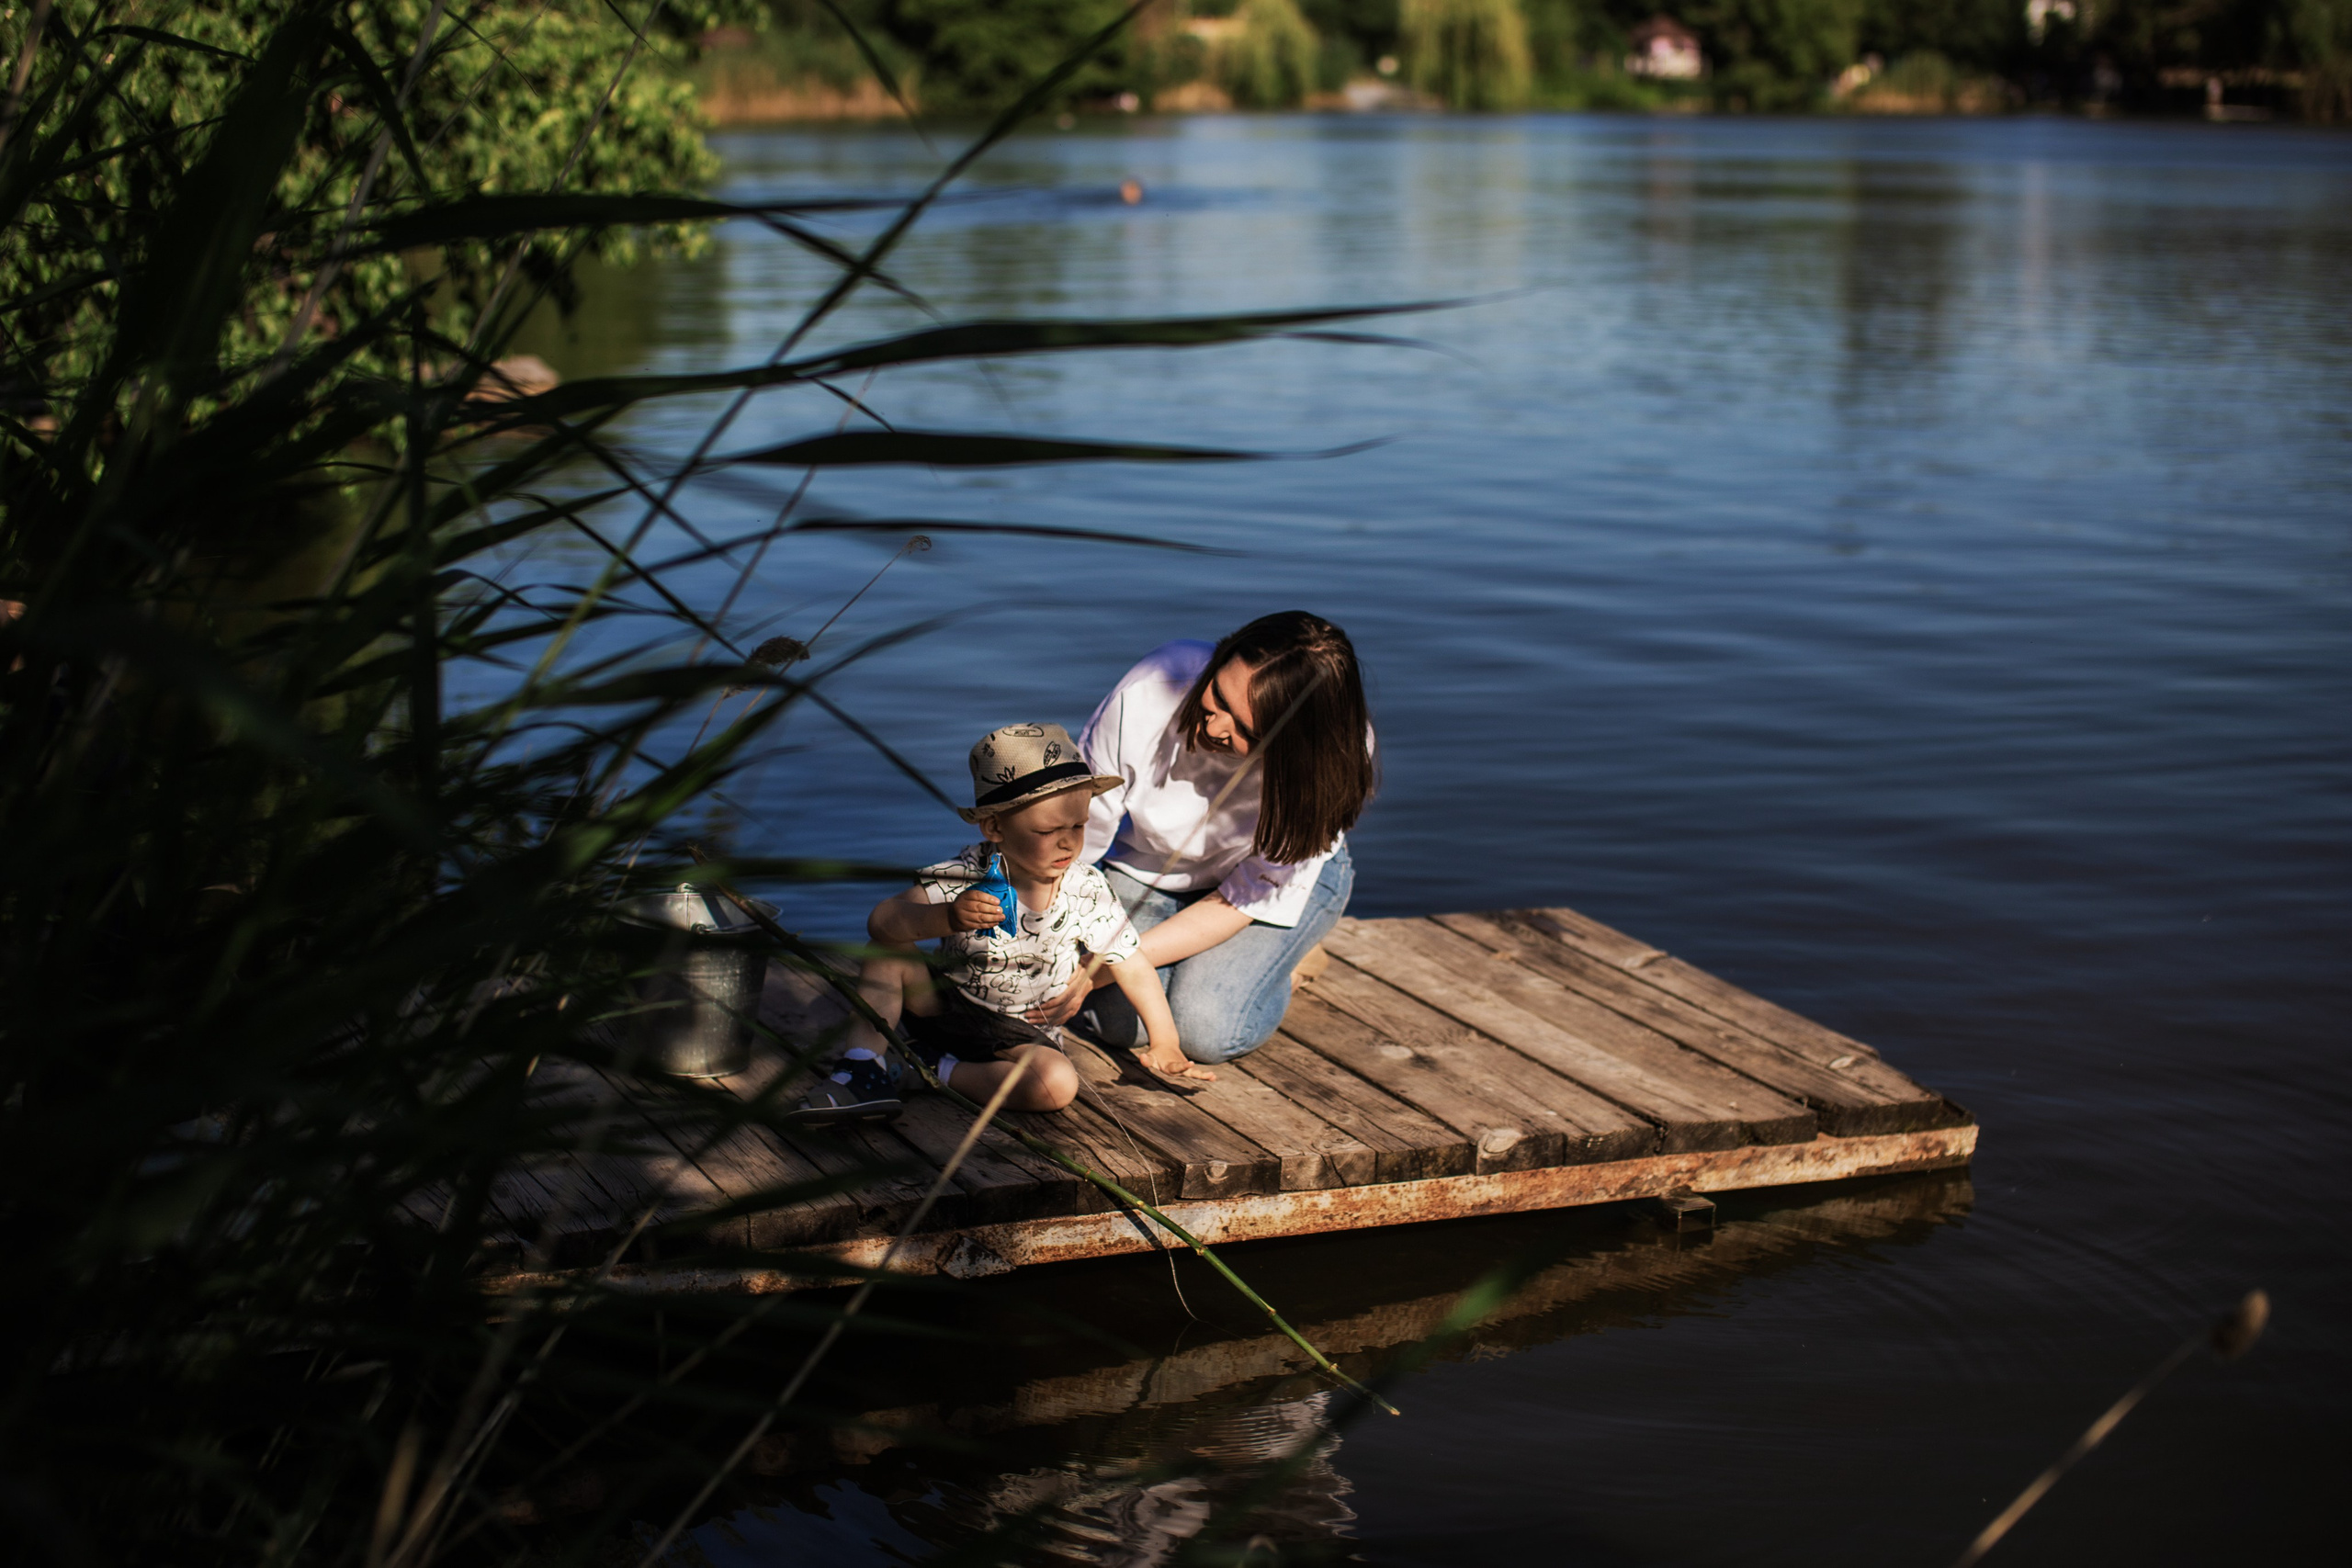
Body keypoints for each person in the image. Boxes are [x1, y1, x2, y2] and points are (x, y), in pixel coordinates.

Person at [788, 722, 1203, 1125]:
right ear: (994, 827)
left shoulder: (1086, 889)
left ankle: (925, 1069)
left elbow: (1131, 963)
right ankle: (861, 1066)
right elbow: (882, 922)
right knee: (889, 947)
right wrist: (946, 917)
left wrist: (1164, 1040)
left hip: (1020, 1033)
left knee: (1056, 1085)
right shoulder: (965, 873)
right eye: (1047, 829)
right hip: (944, 1003)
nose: (1067, 841)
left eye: (1078, 826)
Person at [1032, 611, 1376, 1066]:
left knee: (1205, 1032)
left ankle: (1290, 963)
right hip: (1149, 864)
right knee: (1120, 1023)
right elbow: (1080, 838)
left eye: (1246, 732)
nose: (1214, 728)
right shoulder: (1151, 689)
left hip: (1255, 887)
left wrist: (1100, 966)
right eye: (1218, 696)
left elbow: (1240, 900)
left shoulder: (1331, 761)